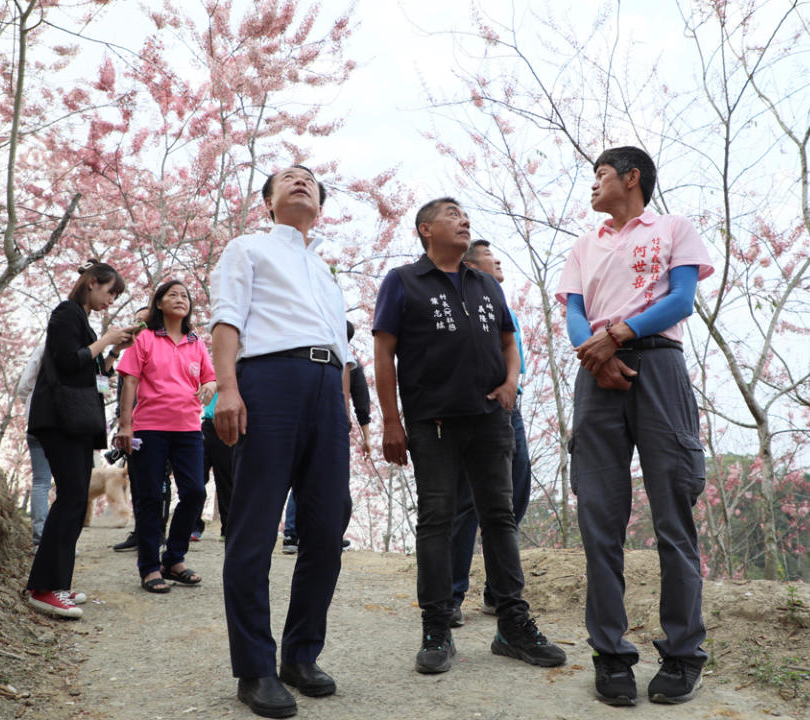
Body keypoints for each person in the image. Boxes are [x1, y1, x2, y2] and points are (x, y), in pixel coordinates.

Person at [373, 197, 566, 675]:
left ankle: (513, 624)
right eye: (452, 215)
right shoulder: (403, 281)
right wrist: (392, 421)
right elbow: (384, 352)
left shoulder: (484, 283)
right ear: (425, 229)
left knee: (499, 516)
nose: (463, 221)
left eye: (465, 216)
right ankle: (436, 627)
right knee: (437, 519)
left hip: (489, 418)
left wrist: (511, 383)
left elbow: (506, 339)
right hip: (432, 421)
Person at [556, 146, 714, 705]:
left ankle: (683, 652)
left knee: (673, 514)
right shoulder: (584, 243)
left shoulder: (673, 227)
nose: (593, 186)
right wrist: (595, 351)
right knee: (599, 517)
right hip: (595, 374)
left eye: (600, 175)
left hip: (659, 368)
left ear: (631, 177)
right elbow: (575, 311)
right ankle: (611, 654)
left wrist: (617, 336)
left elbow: (681, 300)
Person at [210, 164, 352, 718]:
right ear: (268, 202)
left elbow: (340, 349)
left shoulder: (326, 270)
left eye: (310, 179)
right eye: (287, 178)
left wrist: (340, 409)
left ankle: (300, 654)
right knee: (254, 524)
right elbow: (227, 321)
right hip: (268, 382)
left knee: (327, 523)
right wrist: (228, 389)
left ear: (320, 204)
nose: (300, 181)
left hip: (325, 393)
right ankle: (255, 667)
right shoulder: (247, 249)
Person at [25, 260, 132, 618]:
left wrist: (114, 350)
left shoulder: (83, 322)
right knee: (71, 497)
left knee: (75, 499)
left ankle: (58, 584)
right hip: (59, 420)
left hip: (77, 422)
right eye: (109, 291)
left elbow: (95, 369)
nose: (110, 300)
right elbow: (69, 361)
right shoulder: (66, 312)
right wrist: (106, 339)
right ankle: (42, 587)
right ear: (91, 283)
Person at [449, 239, 532, 627]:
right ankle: (451, 594)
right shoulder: (463, 296)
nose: (499, 260)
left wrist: (512, 385)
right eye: (490, 257)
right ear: (470, 264)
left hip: (510, 402)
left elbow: (509, 348)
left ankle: (499, 591)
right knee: (467, 503)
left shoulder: (497, 300)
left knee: (515, 492)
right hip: (479, 405)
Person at [114, 280, 216, 594]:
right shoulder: (144, 339)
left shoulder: (196, 342)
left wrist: (210, 387)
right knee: (149, 498)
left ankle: (173, 558)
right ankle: (148, 567)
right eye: (172, 294)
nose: (180, 299)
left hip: (187, 429)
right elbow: (129, 382)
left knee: (196, 492)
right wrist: (125, 425)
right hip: (149, 429)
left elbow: (210, 378)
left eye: (184, 296)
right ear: (158, 303)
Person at [282, 320, 371, 554]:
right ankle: (306, 533)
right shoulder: (344, 359)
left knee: (310, 480)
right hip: (329, 423)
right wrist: (366, 436)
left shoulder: (345, 360)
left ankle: (310, 534)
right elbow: (362, 401)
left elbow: (361, 398)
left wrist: (367, 436)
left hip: (326, 422)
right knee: (322, 481)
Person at [110, 307, 173, 553]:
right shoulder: (131, 352)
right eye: (136, 321)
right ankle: (141, 531)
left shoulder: (164, 350)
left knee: (160, 480)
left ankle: (159, 532)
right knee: (137, 479)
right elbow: (122, 388)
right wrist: (122, 420)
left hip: (160, 424)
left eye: (144, 321)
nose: (139, 326)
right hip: (132, 425)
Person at [16, 341, 52, 553]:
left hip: (37, 422)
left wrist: (31, 400)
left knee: (41, 482)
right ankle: (60, 539)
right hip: (65, 427)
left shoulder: (43, 347)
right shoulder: (82, 347)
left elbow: (24, 385)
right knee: (67, 485)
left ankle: (40, 539)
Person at [197, 391, 233, 541]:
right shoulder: (208, 370)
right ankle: (193, 525)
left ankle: (228, 529)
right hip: (207, 425)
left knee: (225, 481)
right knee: (198, 478)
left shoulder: (236, 373)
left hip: (227, 426)